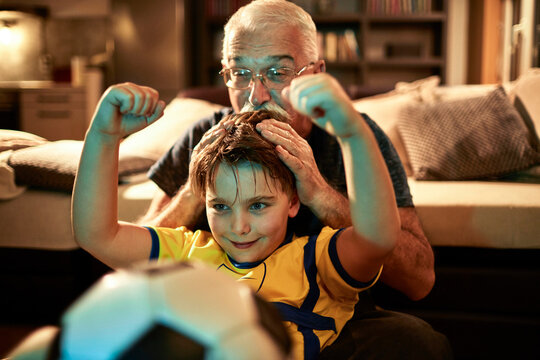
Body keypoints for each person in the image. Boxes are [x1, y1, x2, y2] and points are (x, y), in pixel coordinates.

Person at [140, 1, 452, 358]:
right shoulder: (204, 135)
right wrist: (195, 193)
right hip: (220, 318)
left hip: (333, 322)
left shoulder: (352, 136)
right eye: (240, 73)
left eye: (277, 72)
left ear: (316, 72)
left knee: (418, 341)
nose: (256, 96)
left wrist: (321, 193)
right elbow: (136, 259)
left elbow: (419, 279)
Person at [72, 81, 401, 359]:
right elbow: (97, 236)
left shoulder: (315, 263)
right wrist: (103, 135)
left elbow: (378, 238)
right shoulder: (189, 252)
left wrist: (353, 136)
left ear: (293, 202)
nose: (239, 226)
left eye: (258, 206)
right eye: (221, 207)